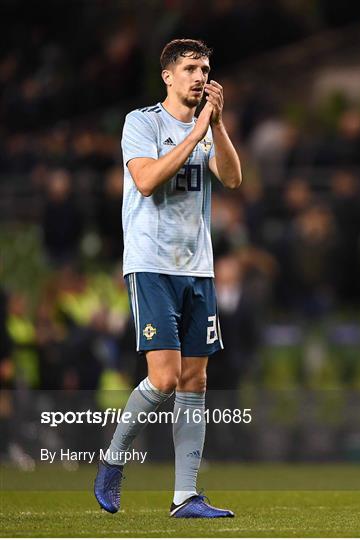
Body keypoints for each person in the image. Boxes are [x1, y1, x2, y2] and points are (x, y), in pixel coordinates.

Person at [94, 38, 242, 518]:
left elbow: (234, 178)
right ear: (168, 75)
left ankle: (185, 497)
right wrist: (197, 129)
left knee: (195, 379)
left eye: (206, 68)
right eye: (192, 68)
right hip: (151, 263)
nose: (201, 77)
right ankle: (114, 457)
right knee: (164, 377)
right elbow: (146, 180)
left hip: (197, 267)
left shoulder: (206, 127)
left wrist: (216, 129)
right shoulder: (142, 123)